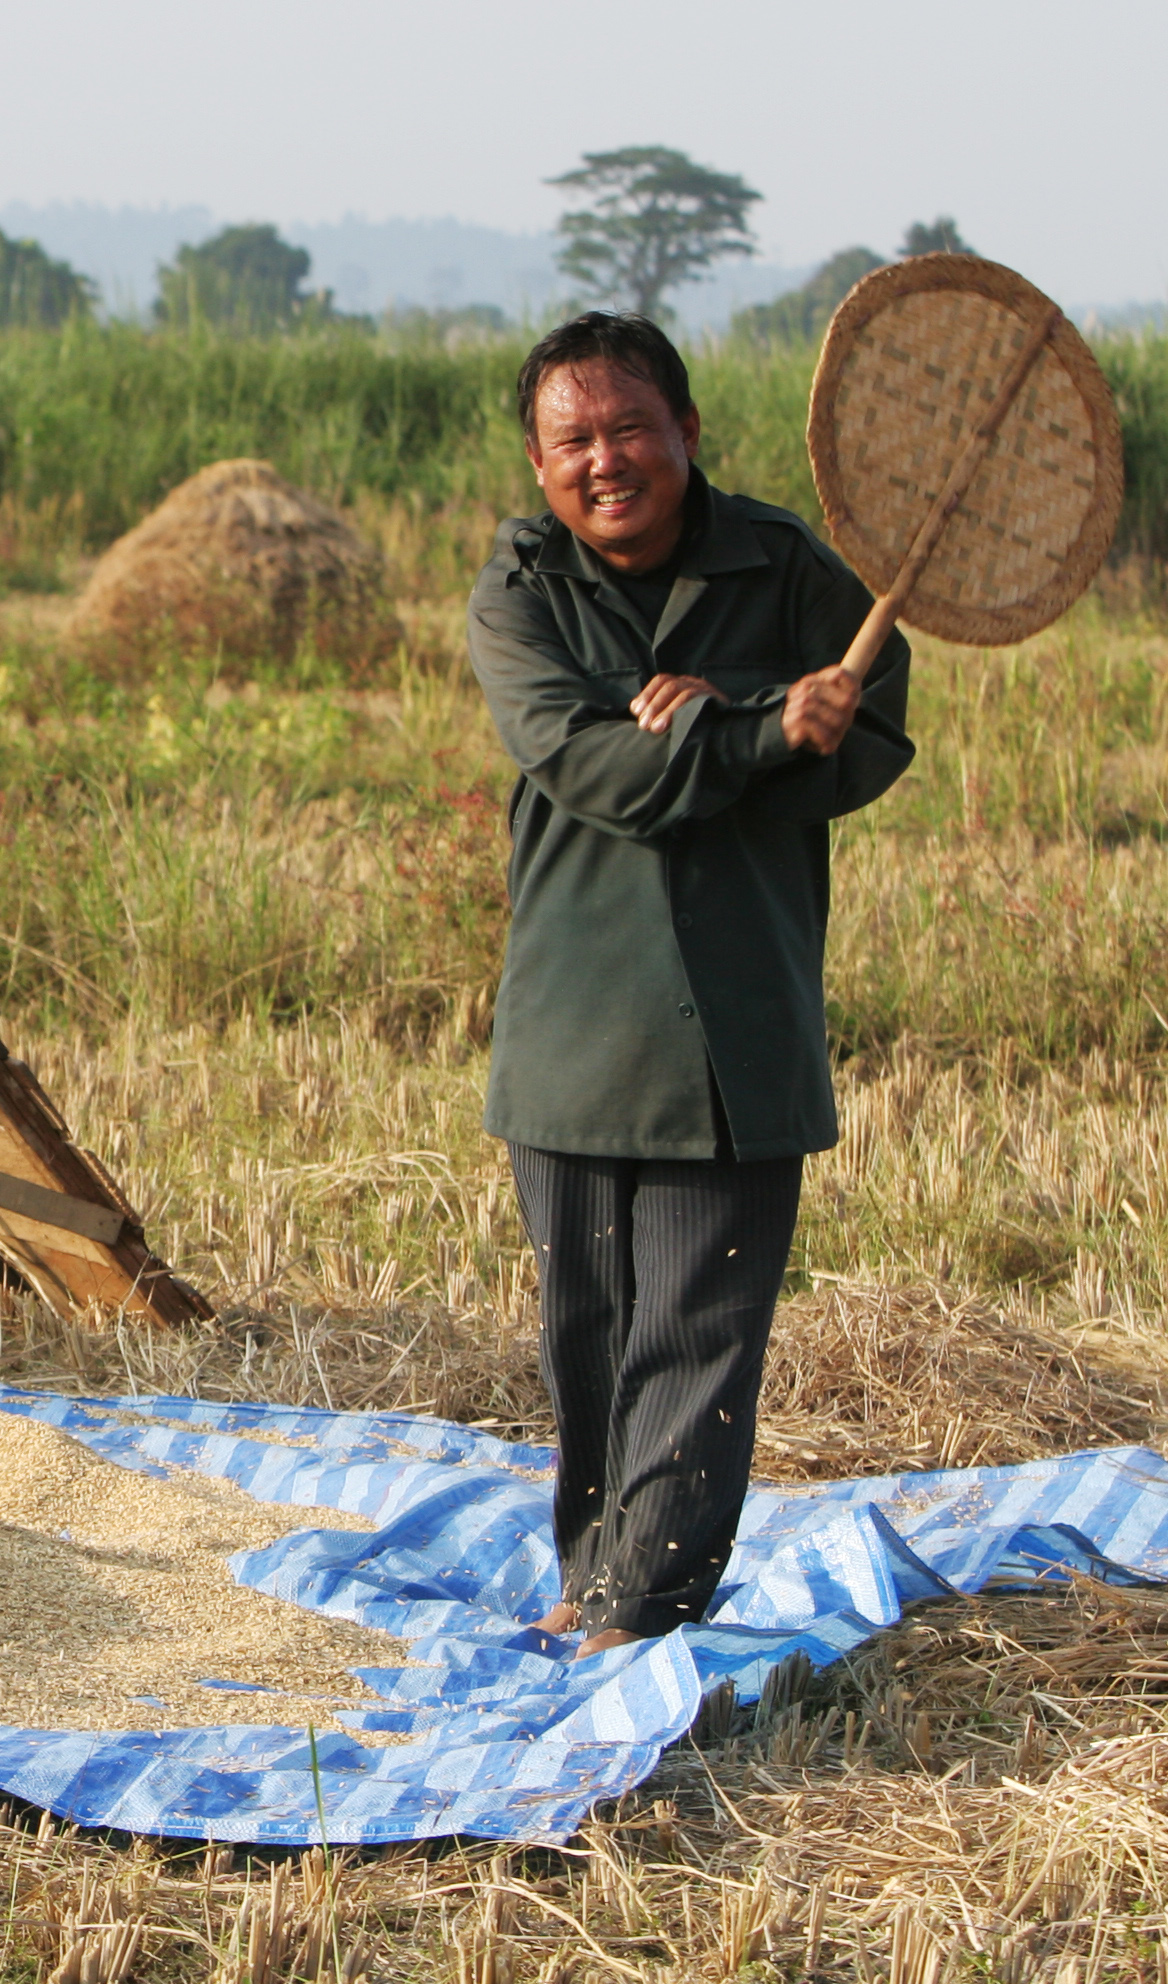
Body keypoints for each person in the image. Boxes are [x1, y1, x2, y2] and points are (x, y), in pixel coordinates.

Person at [464, 311, 914, 1660]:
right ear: (541, 464)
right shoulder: (521, 593)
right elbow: (593, 768)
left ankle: (643, 1616)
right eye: (573, 440)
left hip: (736, 1017)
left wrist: (799, 728)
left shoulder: (786, 567)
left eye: (629, 430)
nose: (606, 461)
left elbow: (876, 734)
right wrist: (759, 724)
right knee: (590, 1338)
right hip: (575, 1023)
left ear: (687, 434)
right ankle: (593, 1573)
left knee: (701, 1343)